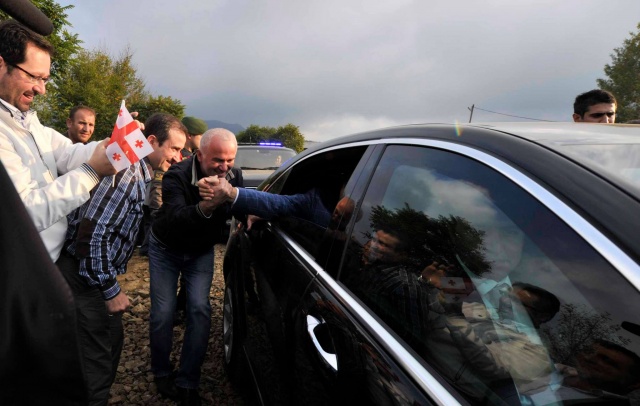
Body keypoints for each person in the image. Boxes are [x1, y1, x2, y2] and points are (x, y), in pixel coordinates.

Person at [61, 113, 186, 406]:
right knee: (97, 363)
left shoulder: (140, 170)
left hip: (87, 274)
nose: (179, 157)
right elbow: (90, 232)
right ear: (152, 141)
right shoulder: (129, 171)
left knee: (107, 345)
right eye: (174, 149)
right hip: (83, 276)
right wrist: (110, 290)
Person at [0, 19, 116, 263]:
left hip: (46, 261)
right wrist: (92, 173)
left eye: (45, 79)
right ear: (2, 65)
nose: (41, 89)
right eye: (34, 77)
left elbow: (68, 154)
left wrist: (114, 143)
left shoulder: (26, 120)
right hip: (22, 270)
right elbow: (26, 212)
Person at [149, 128, 243, 406]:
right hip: (165, 249)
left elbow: (239, 206)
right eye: (217, 160)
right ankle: (162, 372)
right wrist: (211, 203)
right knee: (163, 313)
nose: (224, 167)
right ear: (199, 155)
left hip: (200, 251)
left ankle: (188, 380)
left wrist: (249, 213)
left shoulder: (234, 176)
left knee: (200, 310)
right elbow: (177, 217)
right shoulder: (175, 176)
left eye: (230, 160)